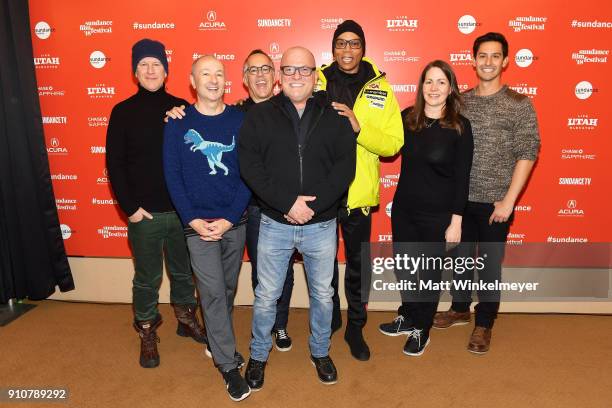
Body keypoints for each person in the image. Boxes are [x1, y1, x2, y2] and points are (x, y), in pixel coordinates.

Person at [239, 46, 356, 390]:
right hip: (275, 222)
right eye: (289, 70)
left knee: (322, 294)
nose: (296, 76)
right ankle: (258, 356)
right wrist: (288, 203)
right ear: (280, 75)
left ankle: (320, 352)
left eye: (303, 70)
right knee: (266, 295)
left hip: (321, 225)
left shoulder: (334, 115)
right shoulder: (260, 116)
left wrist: (313, 207)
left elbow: (344, 168)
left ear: (315, 75)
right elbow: (251, 167)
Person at [165, 49, 297, 352]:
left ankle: (279, 325)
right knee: (225, 282)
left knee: (278, 272)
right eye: (253, 70)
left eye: (266, 69)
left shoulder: (290, 110)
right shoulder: (239, 114)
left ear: (275, 77)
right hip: (244, 208)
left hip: (279, 208)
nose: (260, 75)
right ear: (244, 78)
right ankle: (222, 337)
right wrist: (176, 111)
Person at [106, 38, 206, 369]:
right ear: (135, 71)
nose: (151, 70)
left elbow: (194, 159)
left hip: (180, 213)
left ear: (166, 70)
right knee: (146, 278)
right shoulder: (122, 111)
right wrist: (130, 209)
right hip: (144, 215)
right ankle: (147, 329)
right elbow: (115, 164)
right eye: (144, 65)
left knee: (183, 272)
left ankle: (185, 317)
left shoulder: (180, 108)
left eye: (157, 64)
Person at [163, 55, 252, 401]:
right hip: (196, 225)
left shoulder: (240, 121)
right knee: (213, 291)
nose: (213, 80)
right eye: (205, 74)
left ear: (226, 81)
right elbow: (173, 175)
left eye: (219, 74)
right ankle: (228, 366)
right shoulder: (177, 123)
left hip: (234, 222)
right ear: (192, 80)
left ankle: (218, 341)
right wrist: (193, 219)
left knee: (226, 290)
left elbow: (249, 172)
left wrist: (230, 217)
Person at [317, 20, 403, 361]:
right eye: (341, 43)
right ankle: (333, 315)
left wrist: (358, 126)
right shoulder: (317, 80)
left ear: (363, 48)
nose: (347, 50)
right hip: (320, 192)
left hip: (358, 193)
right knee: (321, 264)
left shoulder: (379, 88)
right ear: (333, 47)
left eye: (354, 43)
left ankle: (356, 325)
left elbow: (394, 143)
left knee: (357, 265)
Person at [380, 60, 473, 356]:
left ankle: (423, 327)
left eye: (441, 82)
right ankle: (408, 316)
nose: (434, 88)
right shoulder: (408, 118)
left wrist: (456, 221)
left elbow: (463, 177)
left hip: (439, 215)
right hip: (405, 211)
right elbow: (384, 144)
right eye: (429, 82)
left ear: (450, 88)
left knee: (428, 274)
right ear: (421, 87)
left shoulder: (460, 126)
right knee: (406, 268)